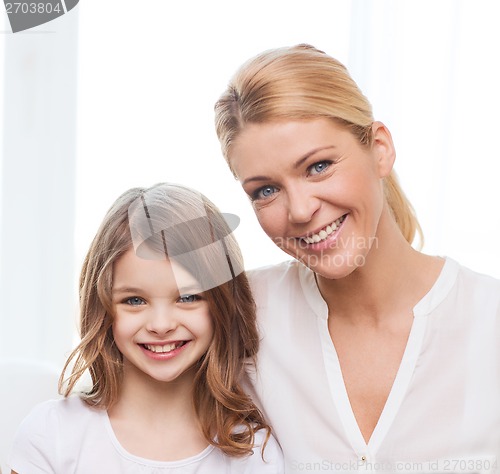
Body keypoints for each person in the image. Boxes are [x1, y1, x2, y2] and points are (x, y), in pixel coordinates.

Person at [214, 44, 500, 472]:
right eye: (265, 190)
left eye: (318, 166)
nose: (300, 210)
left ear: (380, 148)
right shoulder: (241, 316)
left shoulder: (488, 322)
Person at [9, 183, 284, 473]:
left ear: (222, 303)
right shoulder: (52, 434)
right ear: (102, 308)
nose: (161, 325)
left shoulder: (255, 453)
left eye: (188, 297)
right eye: (135, 300)